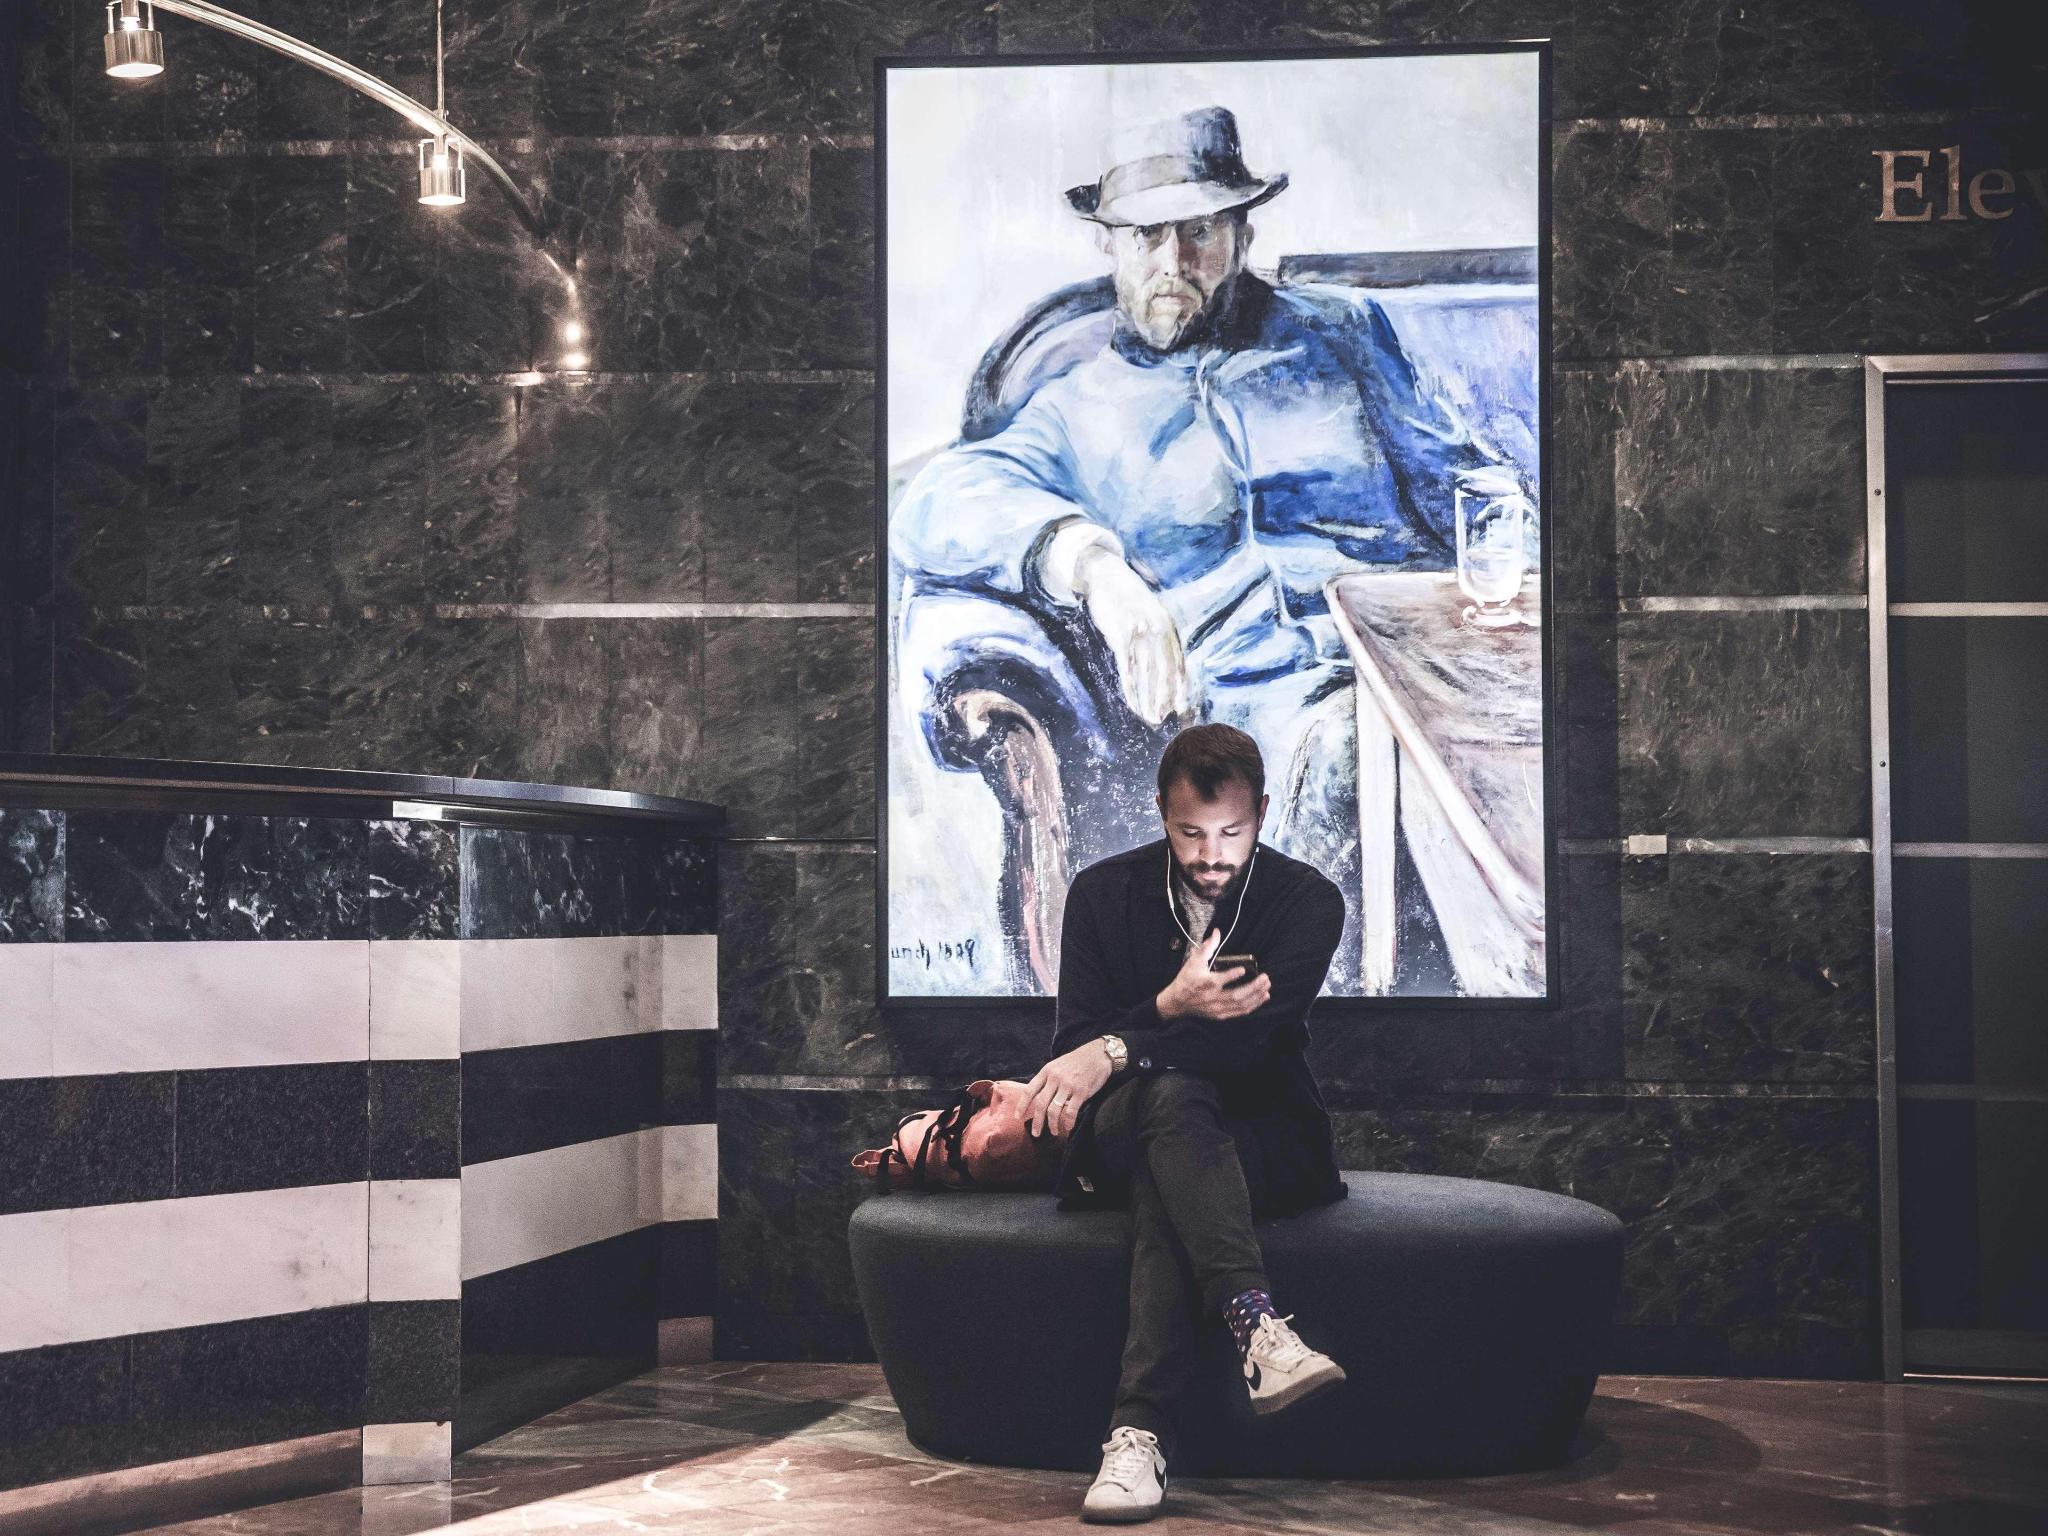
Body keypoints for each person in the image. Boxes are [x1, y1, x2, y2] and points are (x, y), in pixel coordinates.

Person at [890, 104, 1519, 991]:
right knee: (1346, 754)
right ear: (1108, 246)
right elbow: (935, 502)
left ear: (1242, 233)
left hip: (1428, 660)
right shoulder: (1076, 408)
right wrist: (1094, 568)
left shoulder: (1346, 338)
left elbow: (1470, 482)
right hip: (1274, 708)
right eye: (1147, 235)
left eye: (1200, 232)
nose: (1173, 262)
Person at [1022, 723, 1350, 1522]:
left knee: (1172, 1159)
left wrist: (1120, 1046)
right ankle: (1258, 1328)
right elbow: (1071, 1048)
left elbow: (1245, 1046)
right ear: (1161, 813)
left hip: (1262, 1133)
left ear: (1262, 812)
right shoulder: (1103, 894)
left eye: (1231, 832)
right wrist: (1170, 1006)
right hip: (1125, 1128)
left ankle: (1136, 1436)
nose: (1211, 853)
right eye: (1190, 832)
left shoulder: (1307, 901)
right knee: (1169, 1106)